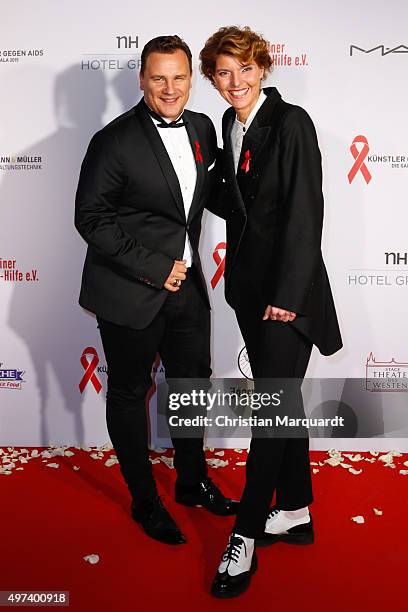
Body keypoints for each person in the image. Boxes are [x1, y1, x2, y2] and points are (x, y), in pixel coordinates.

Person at [75, 35, 238, 547]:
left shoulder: (202, 127)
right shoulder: (113, 141)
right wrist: (154, 267)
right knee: (128, 392)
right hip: (129, 289)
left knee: (192, 385)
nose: (170, 88)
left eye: (180, 77)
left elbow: (207, 196)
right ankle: (145, 501)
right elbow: (91, 218)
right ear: (142, 80)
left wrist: (270, 211)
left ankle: (190, 482)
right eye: (158, 78)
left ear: (192, 78)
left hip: (187, 289)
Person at [200, 26, 342, 597]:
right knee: (279, 405)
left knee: (271, 414)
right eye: (223, 73)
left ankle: (245, 535)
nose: (234, 82)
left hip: (288, 297)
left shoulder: (292, 123)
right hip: (246, 291)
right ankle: (298, 512)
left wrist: (286, 294)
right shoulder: (228, 130)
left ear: (262, 69)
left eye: (244, 69)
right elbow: (226, 198)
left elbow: (307, 213)